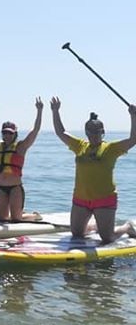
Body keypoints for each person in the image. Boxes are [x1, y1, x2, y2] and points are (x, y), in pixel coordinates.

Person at [51, 97, 136, 244]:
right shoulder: (80, 146)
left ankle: (127, 227)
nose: (94, 136)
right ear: (86, 133)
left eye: (97, 132)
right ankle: (96, 226)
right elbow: (61, 132)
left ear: (103, 132)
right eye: (91, 132)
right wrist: (55, 111)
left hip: (104, 198)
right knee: (77, 234)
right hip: (81, 199)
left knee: (107, 238)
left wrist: (133, 116)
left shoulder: (111, 148)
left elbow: (133, 139)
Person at [0, 98, 44, 220]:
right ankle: (20, 213)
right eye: (5, 133)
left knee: (16, 219)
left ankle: (34, 216)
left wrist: (39, 111)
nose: (7, 135)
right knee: (2, 219)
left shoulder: (21, 147)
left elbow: (35, 130)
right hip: (1, 188)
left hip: (15, 188)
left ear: (15, 134)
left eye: (10, 133)